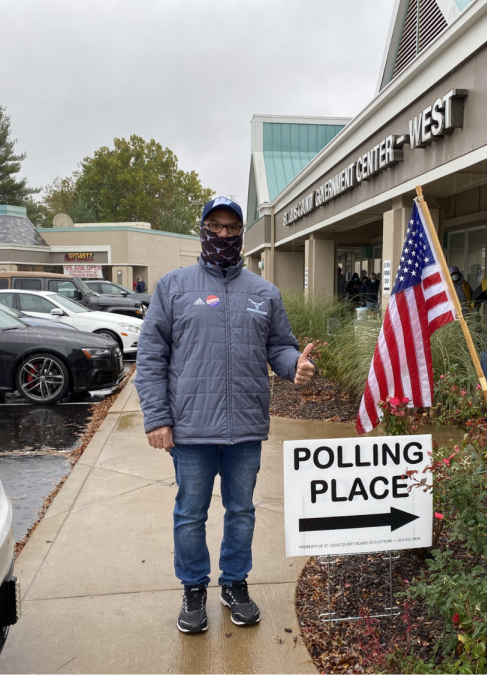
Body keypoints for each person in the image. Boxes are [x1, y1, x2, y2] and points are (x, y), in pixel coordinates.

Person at [135, 197, 316, 635]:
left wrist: (295, 366)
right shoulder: (174, 286)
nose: (223, 235)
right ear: (202, 229)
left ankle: (234, 583)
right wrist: (157, 418)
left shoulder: (264, 292)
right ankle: (193, 588)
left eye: (231, 228)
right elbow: (151, 355)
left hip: (245, 429)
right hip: (191, 428)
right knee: (190, 514)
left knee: (241, 511)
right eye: (214, 226)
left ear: (241, 234)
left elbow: (279, 346)